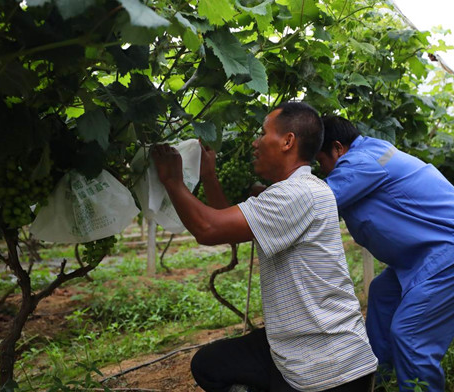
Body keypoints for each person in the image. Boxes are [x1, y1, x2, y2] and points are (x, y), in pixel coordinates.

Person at [151, 102, 377, 392]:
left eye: (263, 133)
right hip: (301, 344)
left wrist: (172, 181)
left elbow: (209, 229)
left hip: (328, 369)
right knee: (210, 364)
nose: (255, 143)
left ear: (288, 141)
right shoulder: (298, 190)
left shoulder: (297, 194)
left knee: (214, 367)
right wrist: (209, 176)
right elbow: (229, 226)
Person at [315, 116, 454, 392]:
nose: (323, 170)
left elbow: (314, 205)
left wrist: (269, 198)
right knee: (383, 295)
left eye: (320, 162)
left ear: (338, 149)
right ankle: (381, 381)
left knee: (410, 334)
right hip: (435, 253)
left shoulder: (361, 161)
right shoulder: (371, 154)